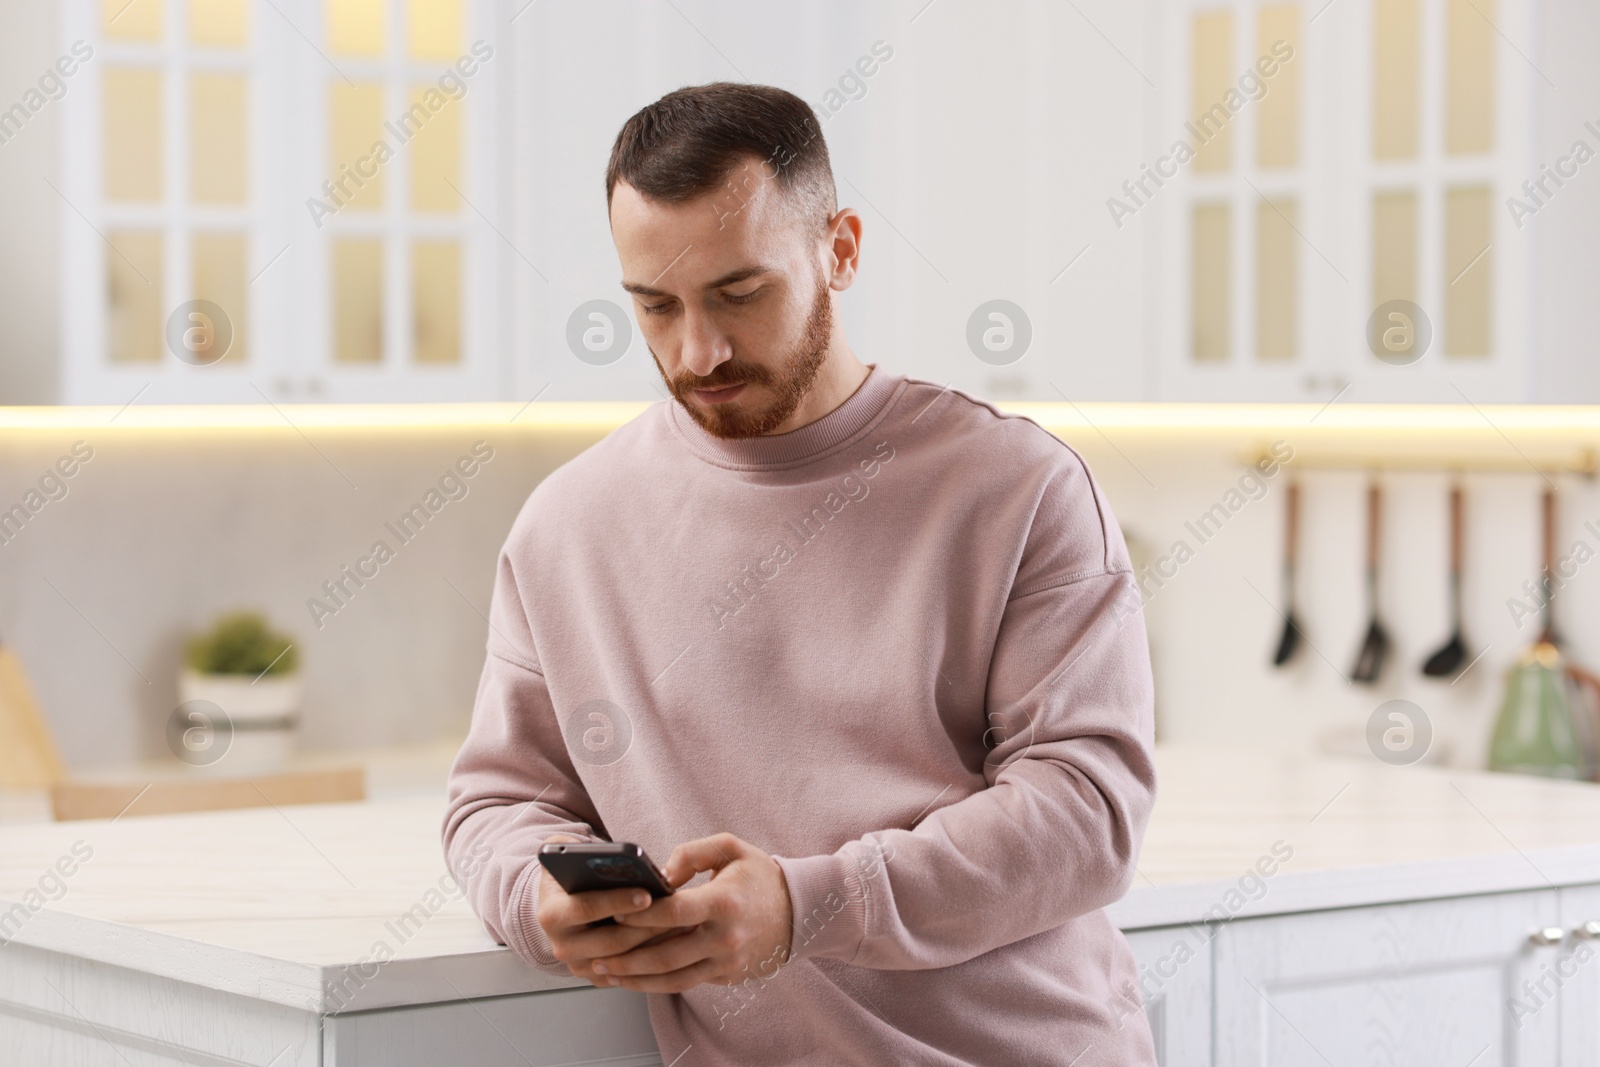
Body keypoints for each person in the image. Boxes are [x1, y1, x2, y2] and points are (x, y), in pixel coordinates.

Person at [442, 80, 1158, 1066]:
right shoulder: (565, 526)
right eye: (655, 306)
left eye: (741, 292)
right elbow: (496, 798)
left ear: (842, 248)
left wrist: (807, 904)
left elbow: (1088, 809)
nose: (700, 350)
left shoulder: (1016, 489)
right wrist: (534, 895)